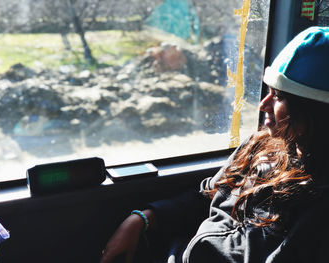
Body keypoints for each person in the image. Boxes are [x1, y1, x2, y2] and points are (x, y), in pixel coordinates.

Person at [100, 26, 329, 263]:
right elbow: (209, 196)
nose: (263, 105)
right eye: (269, 91)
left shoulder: (319, 205)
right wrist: (143, 218)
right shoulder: (261, 145)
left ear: (315, 111)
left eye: (279, 97)